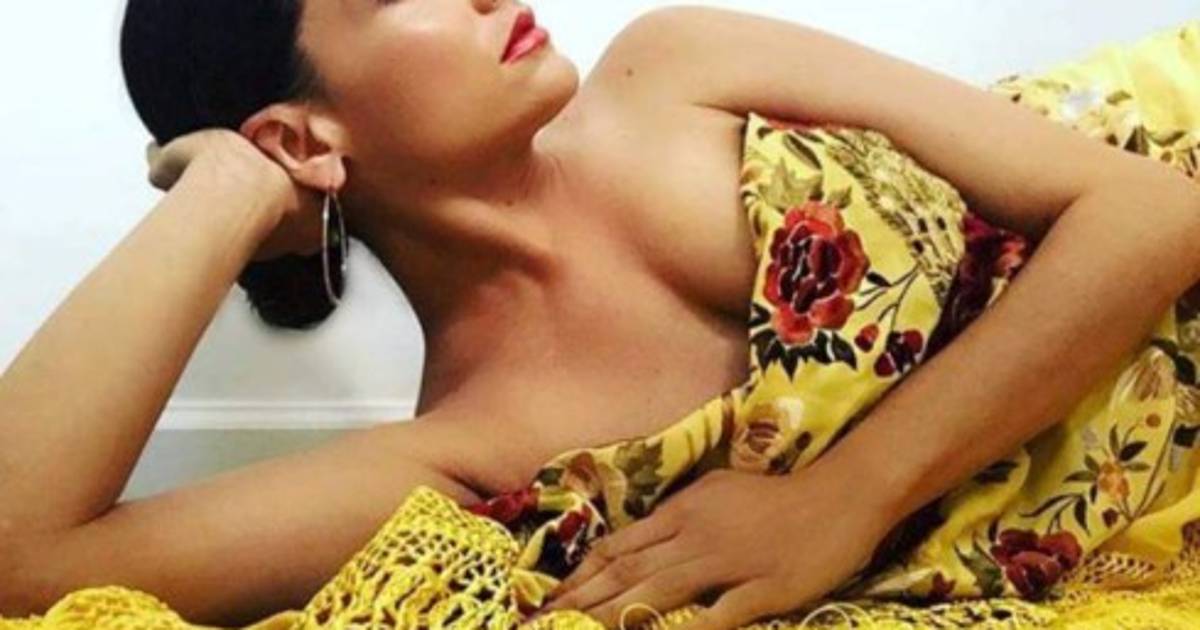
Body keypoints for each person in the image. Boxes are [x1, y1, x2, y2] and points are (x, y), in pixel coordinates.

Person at [1, 0, 1198, 627]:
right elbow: (21, 564)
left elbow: (1149, 211)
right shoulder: (460, 452)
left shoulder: (675, 64)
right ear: (301, 136)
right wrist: (223, 189)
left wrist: (848, 496)